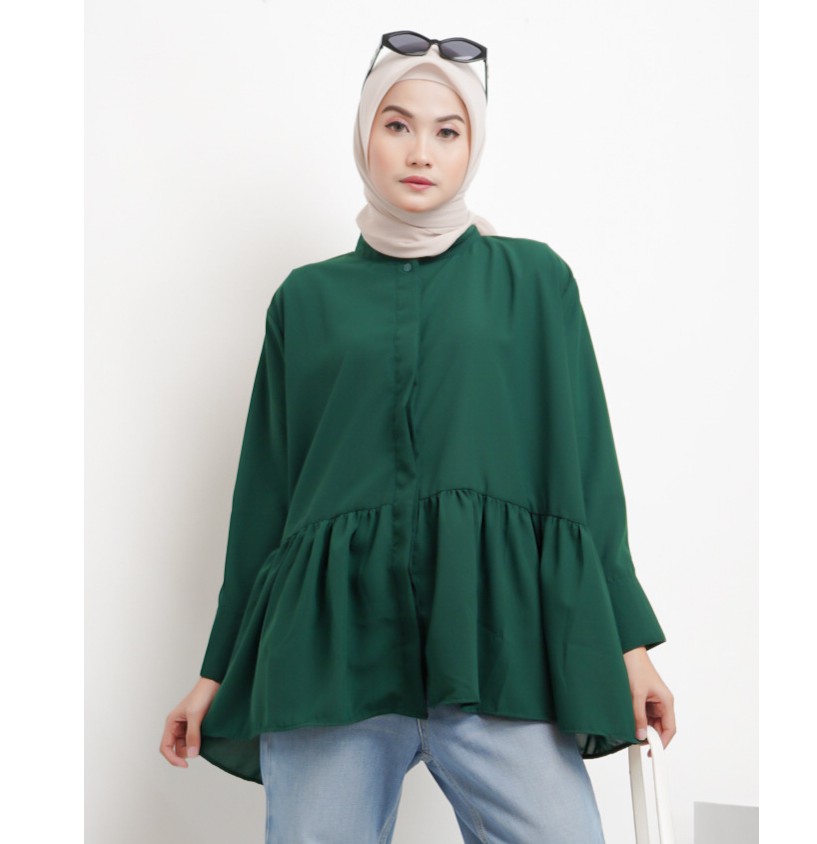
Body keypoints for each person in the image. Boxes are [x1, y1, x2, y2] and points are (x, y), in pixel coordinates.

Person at [160, 31, 676, 844]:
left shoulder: (535, 282)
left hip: (496, 648)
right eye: (397, 124)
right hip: (330, 659)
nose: (421, 152)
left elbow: (586, 474)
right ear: (364, 133)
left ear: (474, 146)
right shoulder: (305, 301)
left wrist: (629, 642)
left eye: (448, 130)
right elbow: (263, 499)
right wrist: (216, 671)